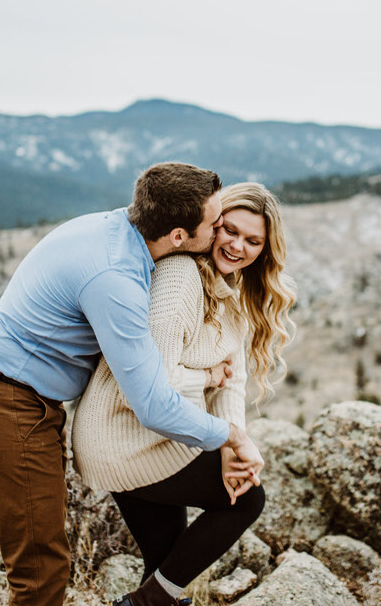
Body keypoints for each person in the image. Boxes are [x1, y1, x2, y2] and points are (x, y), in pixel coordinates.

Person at [0, 163, 266, 606]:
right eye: (216, 223)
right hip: (9, 404)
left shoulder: (113, 230)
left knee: (149, 555)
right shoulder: (118, 280)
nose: (222, 234)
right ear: (179, 235)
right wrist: (230, 437)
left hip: (26, 396)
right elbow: (152, 404)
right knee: (41, 568)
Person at [72, 182, 296, 606]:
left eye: (253, 241)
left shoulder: (232, 291)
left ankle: (150, 600)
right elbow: (148, 385)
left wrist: (233, 444)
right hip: (124, 435)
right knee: (246, 499)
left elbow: (233, 379)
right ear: (212, 224)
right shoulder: (180, 280)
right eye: (229, 230)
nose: (236, 246)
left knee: (164, 564)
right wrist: (207, 379)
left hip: (159, 436)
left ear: (265, 250)